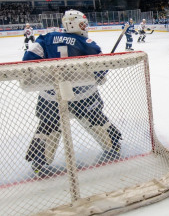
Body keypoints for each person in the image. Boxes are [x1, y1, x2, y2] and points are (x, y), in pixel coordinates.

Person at [23, 9, 122, 175]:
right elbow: (101, 69)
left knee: (49, 125)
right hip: (84, 96)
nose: (85, 26)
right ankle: (113, 144)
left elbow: (27, 61)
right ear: (73, 24)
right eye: (82, 23)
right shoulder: (86, 42)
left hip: (50, 97)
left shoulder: (45, 38)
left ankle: (39, 160)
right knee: (96, 120)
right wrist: (99, 74)